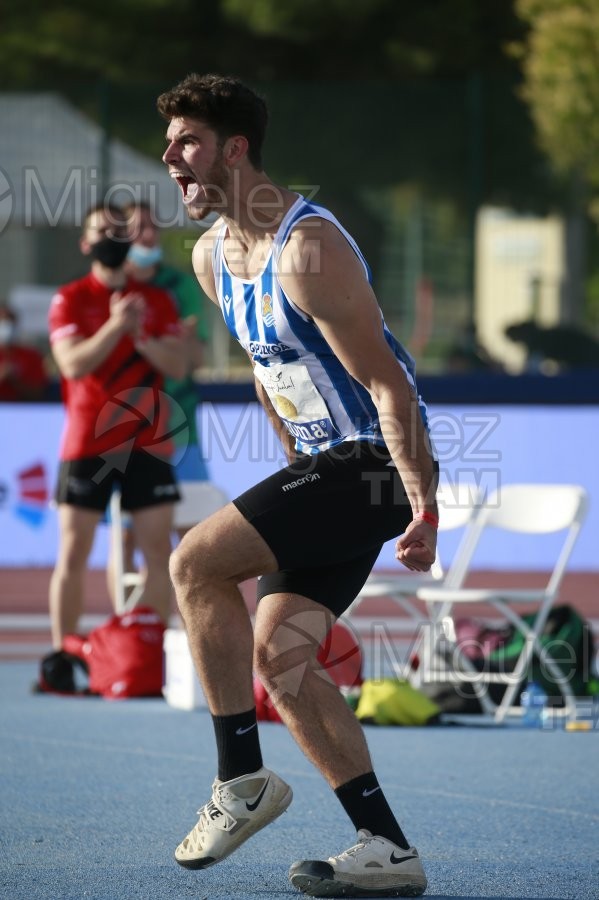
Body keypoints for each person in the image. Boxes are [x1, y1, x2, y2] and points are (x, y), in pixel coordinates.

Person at [159, 74, 438, 898]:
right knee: (283, 662)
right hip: (325, 471)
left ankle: (239, 781)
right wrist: (290, 467)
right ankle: (387, 846)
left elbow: (389, 389)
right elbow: (266, 371)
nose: (170, 157)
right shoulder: (212, 257)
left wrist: (425, 504)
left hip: (373, 466)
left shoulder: (309, 249)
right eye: (169, 142)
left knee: (193, 564)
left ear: (235, 149)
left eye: (187, 142)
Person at [40, 202, 185, 693]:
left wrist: (141, 335)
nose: (111, 238)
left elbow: (181, 364)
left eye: (118, 231)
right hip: (88, 441)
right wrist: (116, 326)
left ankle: (146, 650)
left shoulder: (156, 300)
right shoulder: (70, 298)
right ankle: (64, 655)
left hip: (148, 440)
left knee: (157, 552)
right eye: (101, 231)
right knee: (74, 549)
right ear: (85, 243)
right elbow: (73, 364)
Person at [105, 201, 227, 608]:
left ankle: (188, 622)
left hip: (180, 426)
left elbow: (193, 358)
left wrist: (174, 342)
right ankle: (125, 625)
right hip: (124, 430)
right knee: (124, 533)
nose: (149, 236)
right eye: (138, 229)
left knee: (192, 533)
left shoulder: (178, 285)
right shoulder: (109, 287)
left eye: (152, 227)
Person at [0, 302, 50, 401]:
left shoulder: (32, 355)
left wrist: (15, 381)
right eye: (2, 322)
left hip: (23, 411)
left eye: (10, 322)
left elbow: (38, 394)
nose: (6, 326)